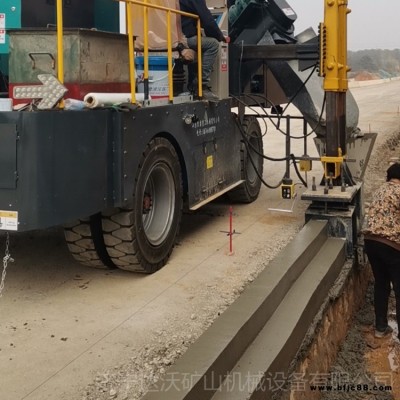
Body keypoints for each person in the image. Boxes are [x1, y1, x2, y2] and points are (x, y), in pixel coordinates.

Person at [363, 162, 400, 339]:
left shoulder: (380, 190)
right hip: (391, 246)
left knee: (381, 284)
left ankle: (380, 327)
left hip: (371, 242)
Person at [179, 0, 229, 100]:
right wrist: (219, 36)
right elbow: (207, 20)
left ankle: (192, 85)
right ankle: (202, 85)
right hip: (185, 37)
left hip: (178, 34)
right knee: (213, 44)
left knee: (200, 43)